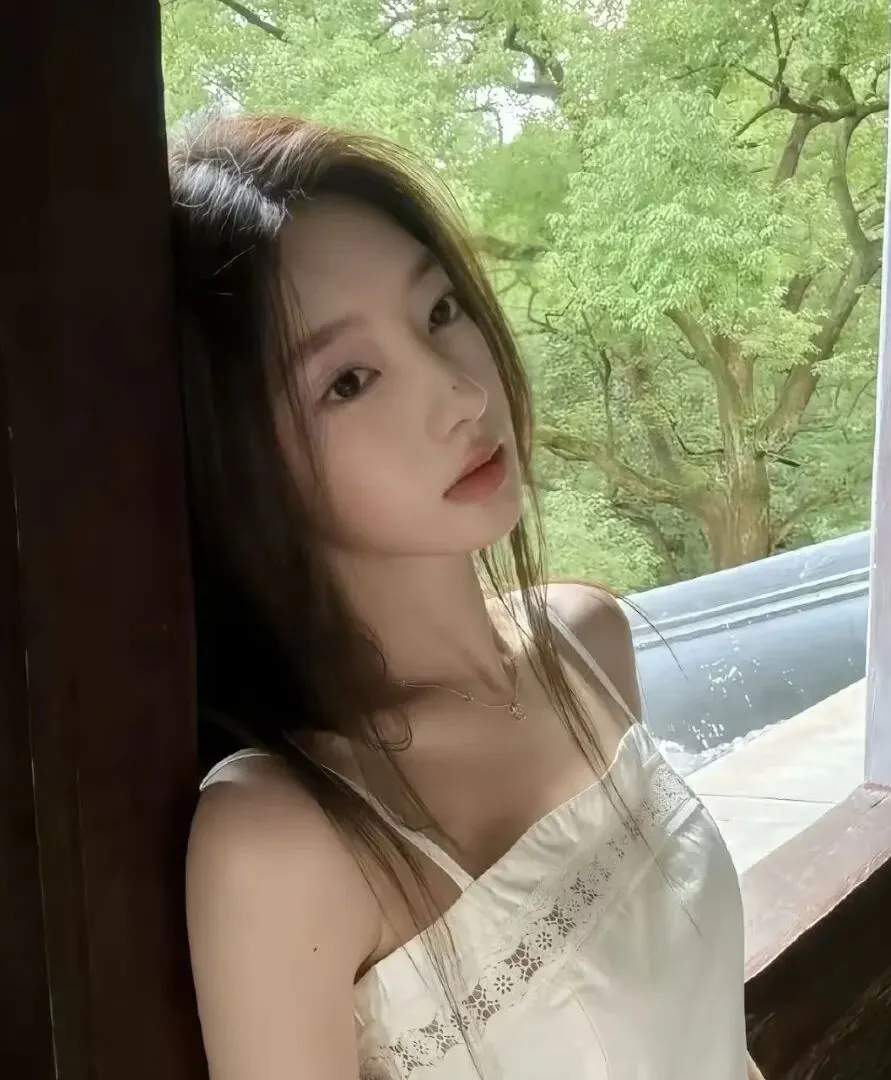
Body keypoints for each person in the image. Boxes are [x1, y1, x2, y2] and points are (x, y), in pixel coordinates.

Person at [173, 112, 761, 1080]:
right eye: (349, 380)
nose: (461, 395)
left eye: (441, 310)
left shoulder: (584, 642)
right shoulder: (283, 843)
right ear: (240, 465)